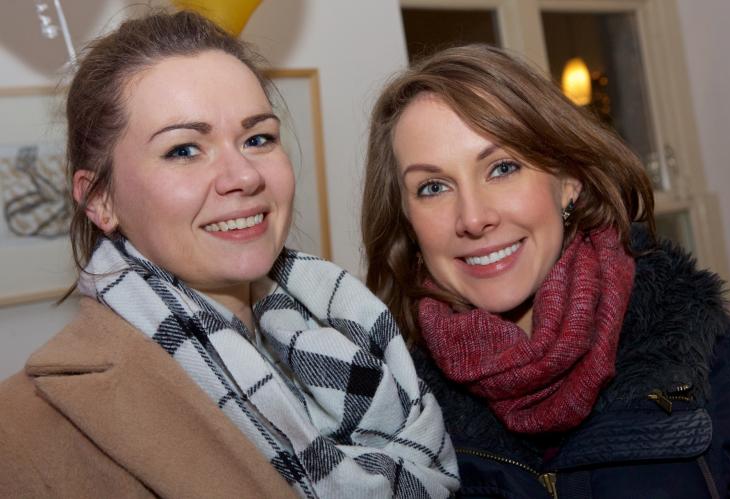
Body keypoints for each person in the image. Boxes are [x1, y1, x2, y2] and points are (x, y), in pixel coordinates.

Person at [0, 11, 459, 498]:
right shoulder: (21, 435)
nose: (244, 176)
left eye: (258, 139)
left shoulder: (358, 335)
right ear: (100, 200)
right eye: (184, 150)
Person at [362, 44, 730, 498]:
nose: (473, 217)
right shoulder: (395, 421)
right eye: (433, 187)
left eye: (502, 168)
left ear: (568, 182)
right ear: (407, 222)